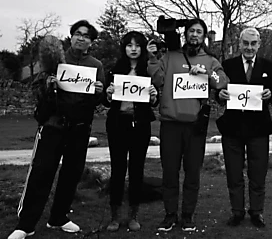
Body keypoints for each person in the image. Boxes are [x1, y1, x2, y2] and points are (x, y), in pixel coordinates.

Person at [8, 20, 105, 239]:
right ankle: (26, 224)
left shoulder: (96, 65)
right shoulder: (55, 59)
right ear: (71, 36)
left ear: (91, 41)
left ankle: (58, 218)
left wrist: (99, 91)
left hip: (79, 129)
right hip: (53, 125)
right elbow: (36, 87)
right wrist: (47, 83)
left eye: (86, 35)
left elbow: (98, 100)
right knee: (41, 173)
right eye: (78, 34)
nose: (81, 38)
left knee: (71, 175)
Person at [147, 18, 228, 233]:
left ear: (203, 36)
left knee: (192, 173)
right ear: (186, 34)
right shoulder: (170, 55)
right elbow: (156, 79)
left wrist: (204, 73)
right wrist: (153, 58)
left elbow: (221, 81)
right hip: (170, 125)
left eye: (199, 32)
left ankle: (188, 216)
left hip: (195, 127)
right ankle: (170, 214)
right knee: (170, 173)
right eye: (191, 31)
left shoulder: (209, 60)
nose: (194, 35)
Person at [216, 27, 272, 228]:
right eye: (246, 43)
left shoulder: (269, 65)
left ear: (259, 44)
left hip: (259, 128)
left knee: (258, 173)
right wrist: (221, 95)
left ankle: (256, 212)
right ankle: (237, 211)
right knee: (234, 173)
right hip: (233, 127)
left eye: (253, 44)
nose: (249, 47)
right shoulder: (228, 65)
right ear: (240, 44)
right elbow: (219, 92)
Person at [103, 31, 159, 232]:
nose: (133, 49)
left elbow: (155, 100)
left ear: (142, 48)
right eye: (129, 45)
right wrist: (108, 95)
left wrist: (154, 96)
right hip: (118, 124)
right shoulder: (116, 69)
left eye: (137, 45)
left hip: (141, 125)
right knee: (118, 170)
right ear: (124, 47)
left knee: (137, 170)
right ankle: (115, 216)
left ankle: (133, 215)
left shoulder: (148, 70)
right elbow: (105, 99)